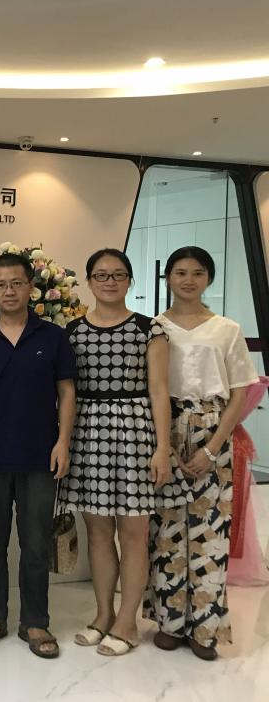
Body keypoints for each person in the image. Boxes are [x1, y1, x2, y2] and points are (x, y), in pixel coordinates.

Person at [0, 252, 76, 659]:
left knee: (36, 545)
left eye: (17, 283)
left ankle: (35, 621)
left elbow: (66, 392)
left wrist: (63, 442)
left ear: (31, 287)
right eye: (1, 285)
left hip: (40, 458)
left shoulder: (53, 337)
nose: (9, 291)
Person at [145, 246, 259, 661]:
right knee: (166, 530)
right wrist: (166, 445)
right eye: (180, 272)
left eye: (197, 273)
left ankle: (205, 628)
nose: (188, 280)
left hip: (214, 427)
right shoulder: (155, 328)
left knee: (210, 532)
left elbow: (240, 391)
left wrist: (212, 449)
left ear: (208, 278)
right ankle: (170, 621)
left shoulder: (226, 329)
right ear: (168, 278)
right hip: (164, 427)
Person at [59, 249, 172, 656]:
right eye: (102, 275)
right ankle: (103, 614)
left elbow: (159, 390)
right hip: (87, 433)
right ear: (89, 281)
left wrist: (163, 447)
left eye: (119, 275)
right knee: (98, 531)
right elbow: (66, 391)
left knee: (134, 532)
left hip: (135, 432)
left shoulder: (149, 328)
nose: (110, 282)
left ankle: (128, 621)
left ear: (129, 281)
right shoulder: (72, 331)